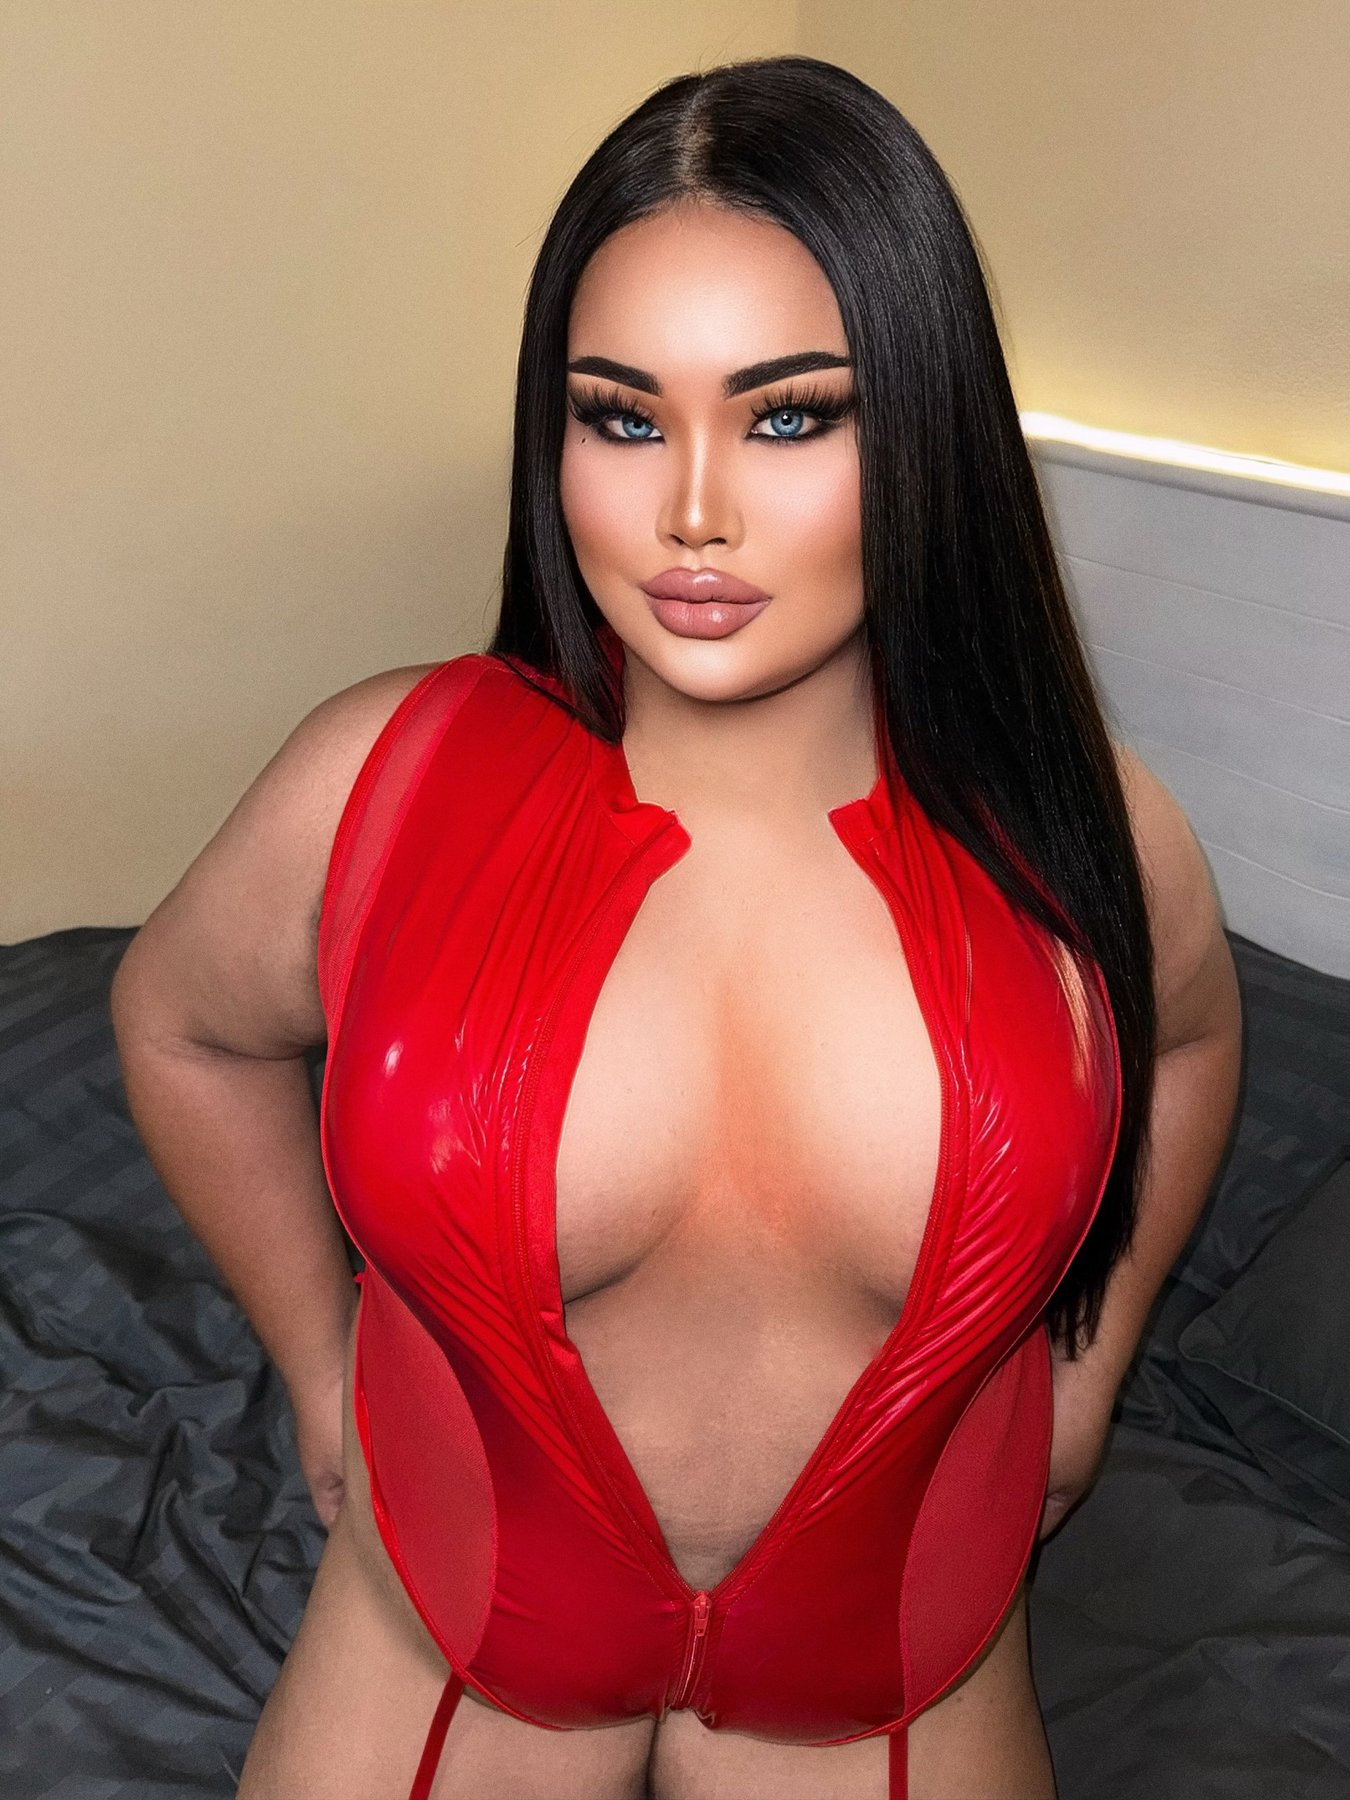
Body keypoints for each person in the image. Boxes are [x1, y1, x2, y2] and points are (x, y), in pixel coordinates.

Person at [110, 54, 1242, 1800]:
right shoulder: (372, 782)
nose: (691, 509)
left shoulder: (1085, 828)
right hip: (452, 1630)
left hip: (887, 1670)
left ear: (927, 429)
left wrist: (1084, 1374)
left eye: (791, 417)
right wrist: (325, 1372)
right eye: (621, 418)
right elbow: (182, 1024)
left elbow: (1190, 1037)